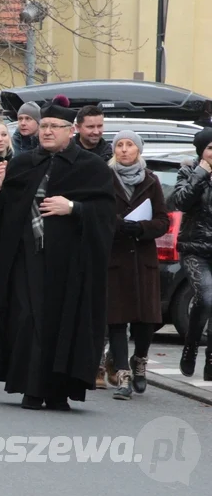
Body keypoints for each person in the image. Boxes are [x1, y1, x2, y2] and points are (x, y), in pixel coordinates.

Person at [0, 96, 115, 410]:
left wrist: (73, 207)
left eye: (53, 127)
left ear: (69, 131)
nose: (46, 132)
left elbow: (105, 215)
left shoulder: (92, 168)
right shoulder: (22, 164)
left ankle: (58, 391)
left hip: (69, 266)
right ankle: (30, 387)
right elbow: (1, 216)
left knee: (62, 324)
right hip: (25, 259)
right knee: (26, 320)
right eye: (43, 126)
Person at [103, 131, 169, 400]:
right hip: (116, 258)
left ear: (138, 150)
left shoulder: (151, 181)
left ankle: (139, 360)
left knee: (145, 320)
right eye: (119, 145)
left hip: (143, 259)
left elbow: (163, 220)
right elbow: (99, 213)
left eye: (130, 145)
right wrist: (119, 225)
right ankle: (122, 375)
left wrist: (140, 227)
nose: (124, 149)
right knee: (117, 321)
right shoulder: (105, 179)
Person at [173, 128, 212, 381]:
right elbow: (181, 201)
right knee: (207, 296)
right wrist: (201, 174)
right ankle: (190, 347)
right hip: (195, 248)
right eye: (210, 148)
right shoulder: (188, 171)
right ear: (201, 151)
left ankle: (211, 359)